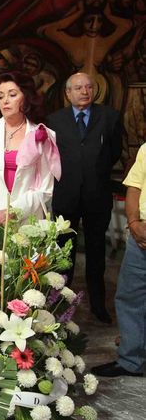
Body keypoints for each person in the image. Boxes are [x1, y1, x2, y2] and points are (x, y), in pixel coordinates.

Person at [45, 72, 123, 324]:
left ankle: (98, 305)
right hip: (66, 196)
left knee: (96, 253)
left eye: (89, 87)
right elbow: (51, 156)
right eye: (78, 88)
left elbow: (114, 152)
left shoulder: (109, 116)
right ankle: (60, 305)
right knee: (64, 255)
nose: (84, 91)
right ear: (68, 93)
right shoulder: (54, 120)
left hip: (97, 195)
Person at [0, 71, 61, 243]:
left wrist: (13, 211)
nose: (5, 101)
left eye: (12, 94)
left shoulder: (42, 134)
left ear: (26, 97)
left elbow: (45, 188)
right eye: (1, 96)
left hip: (26, 221)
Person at [91, 143, 146, 378]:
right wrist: (133, 223)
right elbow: (134, 188)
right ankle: (131, 360)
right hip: (141, 238)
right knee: (130, 296)